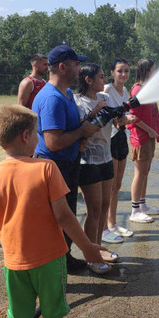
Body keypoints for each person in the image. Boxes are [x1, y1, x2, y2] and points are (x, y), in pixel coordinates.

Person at [0, 105, 106, 318]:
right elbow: (64, 216)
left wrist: (14, 240)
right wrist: (88, 248)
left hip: (14, 262)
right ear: (26, 137)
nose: (39, 138)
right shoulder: (46, 168)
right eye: (37, 133)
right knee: (52, 317)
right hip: (49, 259)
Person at [32, 45, 100, 274]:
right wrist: (81, 134)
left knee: (68, 213)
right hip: (55, 167)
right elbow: (53, 142)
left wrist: (80, 133)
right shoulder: (52, 98)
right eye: (76, 65)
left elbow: (68, 130)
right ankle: (54, 268)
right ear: (63, 67)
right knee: (57, 218)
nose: (80, 69)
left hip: (68, 164)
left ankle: (65, 259)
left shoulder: (67, 93)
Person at [75, 64, 135, 272]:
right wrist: (98, 112)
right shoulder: (79, 101)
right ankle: (91, 256)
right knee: (93, 208)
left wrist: (122, 117)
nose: (104, 81)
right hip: (88, 160)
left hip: (106, 157)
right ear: (88, 80)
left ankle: (98, 248)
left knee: (104, 205)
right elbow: (84, 129)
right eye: (101, 77)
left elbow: (117, 123)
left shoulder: (105, 98)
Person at [127, 59, 159, 223]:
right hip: (141, 137)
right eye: (153, 70)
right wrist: (150, 130)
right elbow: (133, 117)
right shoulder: (137, 90)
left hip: (149, 136)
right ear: (146, 71)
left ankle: (142, 205)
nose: (155, 72)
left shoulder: (147, 89)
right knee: (140, 173)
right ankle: (135, 210)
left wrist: (158, 128)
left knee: (145, 172)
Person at [102, 58, 135, 243]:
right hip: (110, 139)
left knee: (117, 186)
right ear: (112, 73)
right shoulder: (107, 90)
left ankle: (113, 224)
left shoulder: (126, 92)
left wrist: (127, 120)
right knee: (109, 185)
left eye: (127, 71)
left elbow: (121, 116)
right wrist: (122, 120)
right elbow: (105, 116)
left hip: (122, 137)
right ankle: (106, 226)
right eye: (120, 71)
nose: (123, 75)